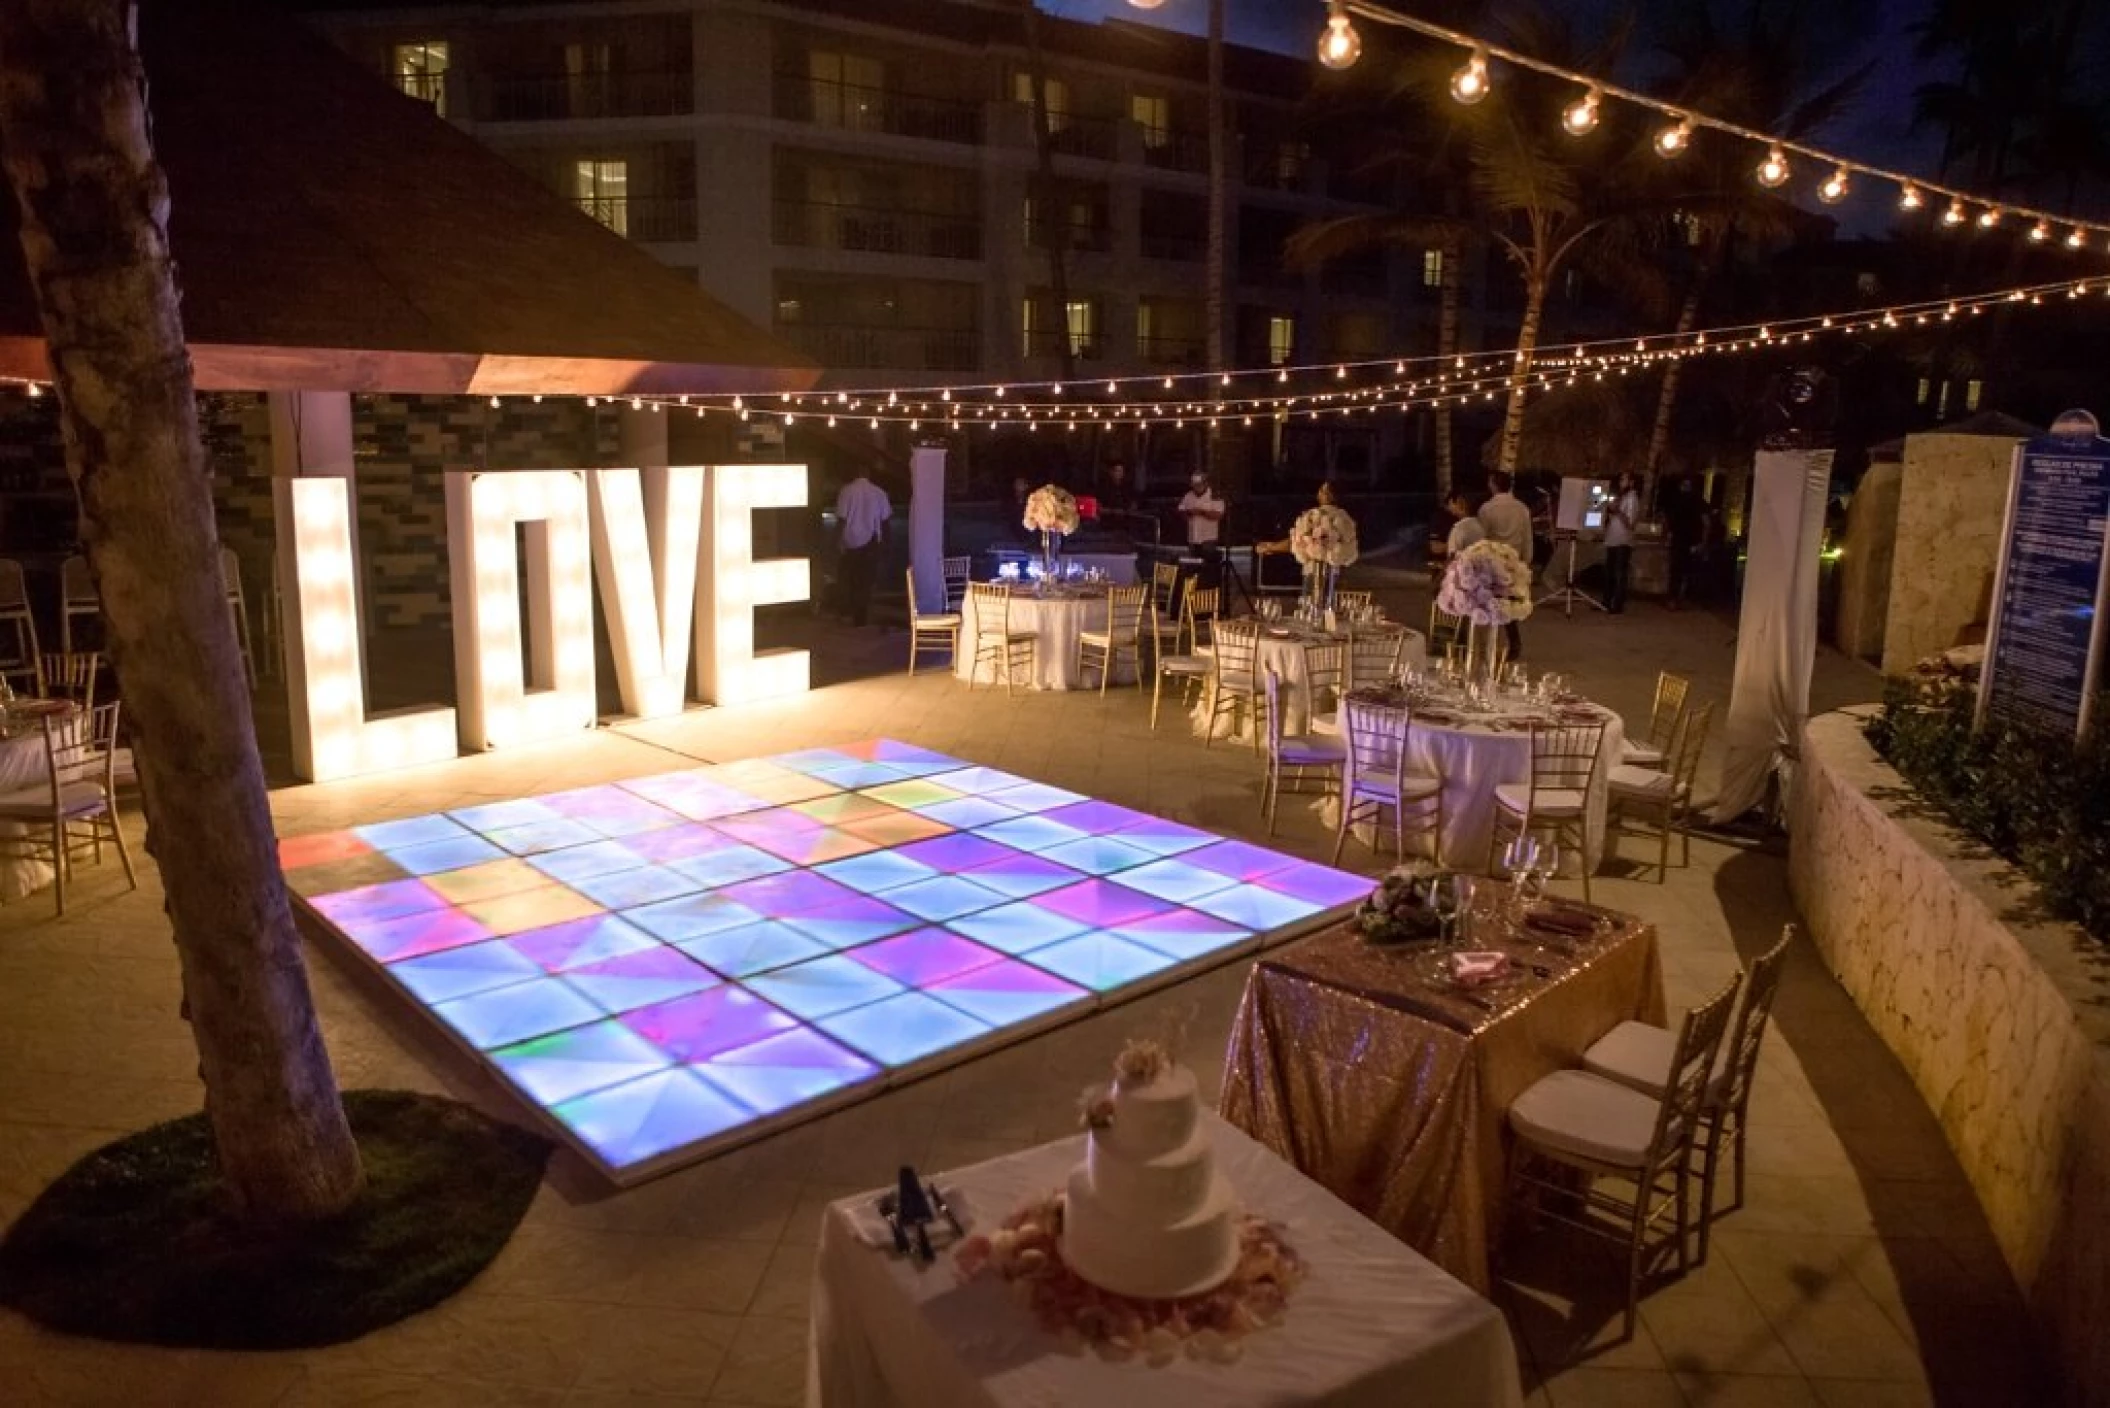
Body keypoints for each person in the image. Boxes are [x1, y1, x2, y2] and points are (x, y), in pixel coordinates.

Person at [1476, 471, 1534, 661]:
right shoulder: (1522, 509)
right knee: (1510, 604)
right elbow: (1527, 538)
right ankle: (1513, 643)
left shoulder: (1487, 509)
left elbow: (1482, 538)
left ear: (1493, 485)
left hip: (1493, 562)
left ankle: (1490, 643)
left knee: (1490, 603)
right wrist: (1526, 562)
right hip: (1514, 562)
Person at [833, 464, 891, 627]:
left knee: (851, 578)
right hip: (871, 541)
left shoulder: (846, 491)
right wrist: (887, 545)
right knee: (866, 579)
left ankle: (850, 611)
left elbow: (841, 519)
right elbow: (885, 521)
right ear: (868, 475)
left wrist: (837, 541)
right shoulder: (879, 492)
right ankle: (861, 615)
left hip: (850, 541)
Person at [1663, 474, 1706, 610]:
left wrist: (1702, 540)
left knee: (1680, 571)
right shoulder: (1686, 500)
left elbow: (1705, 521)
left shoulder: (1692, 501)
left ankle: (1677, 598)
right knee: (1681, 571)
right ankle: (1678, 598)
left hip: (1686, 540)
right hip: (1684, 539)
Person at [1603, 471, 1641, 614]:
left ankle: (1617, 605)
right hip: (1612, 540)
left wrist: (1617, 510)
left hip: (1622, 542)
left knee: (1619, 574)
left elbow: (1630, 523)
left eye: (1624, 479)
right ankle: (1606, 601)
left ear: (1631, 482)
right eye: (1620, 479)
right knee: (1609, 573)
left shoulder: (1633, 499)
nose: (1621, 482)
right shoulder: (1621, 497)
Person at [1177, 471, 1225, 548]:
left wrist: (1202, 512)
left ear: (1205, 483)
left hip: (1208, 539)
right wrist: (1189, 512)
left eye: (1199, 484)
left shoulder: (1215, 495)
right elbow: (1180, 511)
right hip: (1192, 539)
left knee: (1208, 558)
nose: (1196, 487)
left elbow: (1218, 515)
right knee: (1193, 559)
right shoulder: (1188, 495)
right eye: (1194, 485)